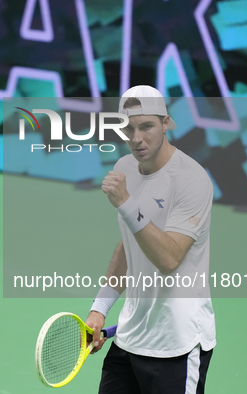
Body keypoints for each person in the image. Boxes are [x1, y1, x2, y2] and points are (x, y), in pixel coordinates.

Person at [85, 86, 216, 394]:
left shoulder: (192, 180)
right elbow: (129, 244)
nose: (137, 138)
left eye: (146, 126)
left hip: (177, 344)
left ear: (166, 123)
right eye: (128, 128)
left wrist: (128, 204)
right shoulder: (125, 168)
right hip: (130, 337)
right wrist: (100, 308)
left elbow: (169, 259)